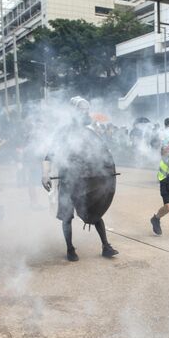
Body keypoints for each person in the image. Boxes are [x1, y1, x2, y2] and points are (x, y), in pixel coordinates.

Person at [41, 96, 119, 261]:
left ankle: (106, 246)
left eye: (86, 109)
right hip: (68, 179)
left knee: (95, 212)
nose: (85, 112)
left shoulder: (90, 133)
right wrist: (45, 174)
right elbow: (50, 155)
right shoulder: (63, 132)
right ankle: (70, 249)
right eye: (81, 109)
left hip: (87, 180)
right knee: (67, 216)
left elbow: (102, 154)